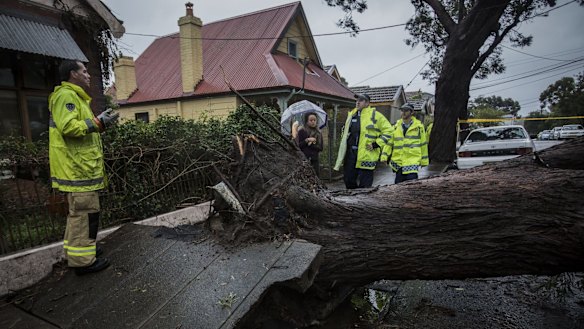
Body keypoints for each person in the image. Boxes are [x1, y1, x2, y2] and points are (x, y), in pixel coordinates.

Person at [49, 60, 119, 275]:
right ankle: (83, 262)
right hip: (77, 170)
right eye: (85, 71)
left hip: (79, 168)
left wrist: (101, 123)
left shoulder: (75, 98)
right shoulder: (67, 96)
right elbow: (69, 128)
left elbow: (82, 131)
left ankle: (80, 251)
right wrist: (98, 123)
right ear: (73, 74)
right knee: (84, 216)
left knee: (78, 215)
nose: (89, 75)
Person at [334, 94, 393, 189]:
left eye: (361, 100)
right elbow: (346, 133)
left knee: (365, 185)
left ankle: (363, 201)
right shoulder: (352, 115)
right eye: (357, 100)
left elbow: (389, 131)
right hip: (351, 154)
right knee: (348, 179)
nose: (357, 102)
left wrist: (376, 144)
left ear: (367, 103)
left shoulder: (376, 116)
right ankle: (353, 201)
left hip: (367, 155)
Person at [382, 103, 428, 184]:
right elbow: (389, 143)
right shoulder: (396, 127)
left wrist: (424, 161)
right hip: (399, 162)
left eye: (406, 110)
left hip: (412, 161)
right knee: (398, 187)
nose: (403, 112)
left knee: (411, 186)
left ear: (412, 112)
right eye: (402, 110)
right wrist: (384, 156)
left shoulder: (418, 127)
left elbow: (423, 144)